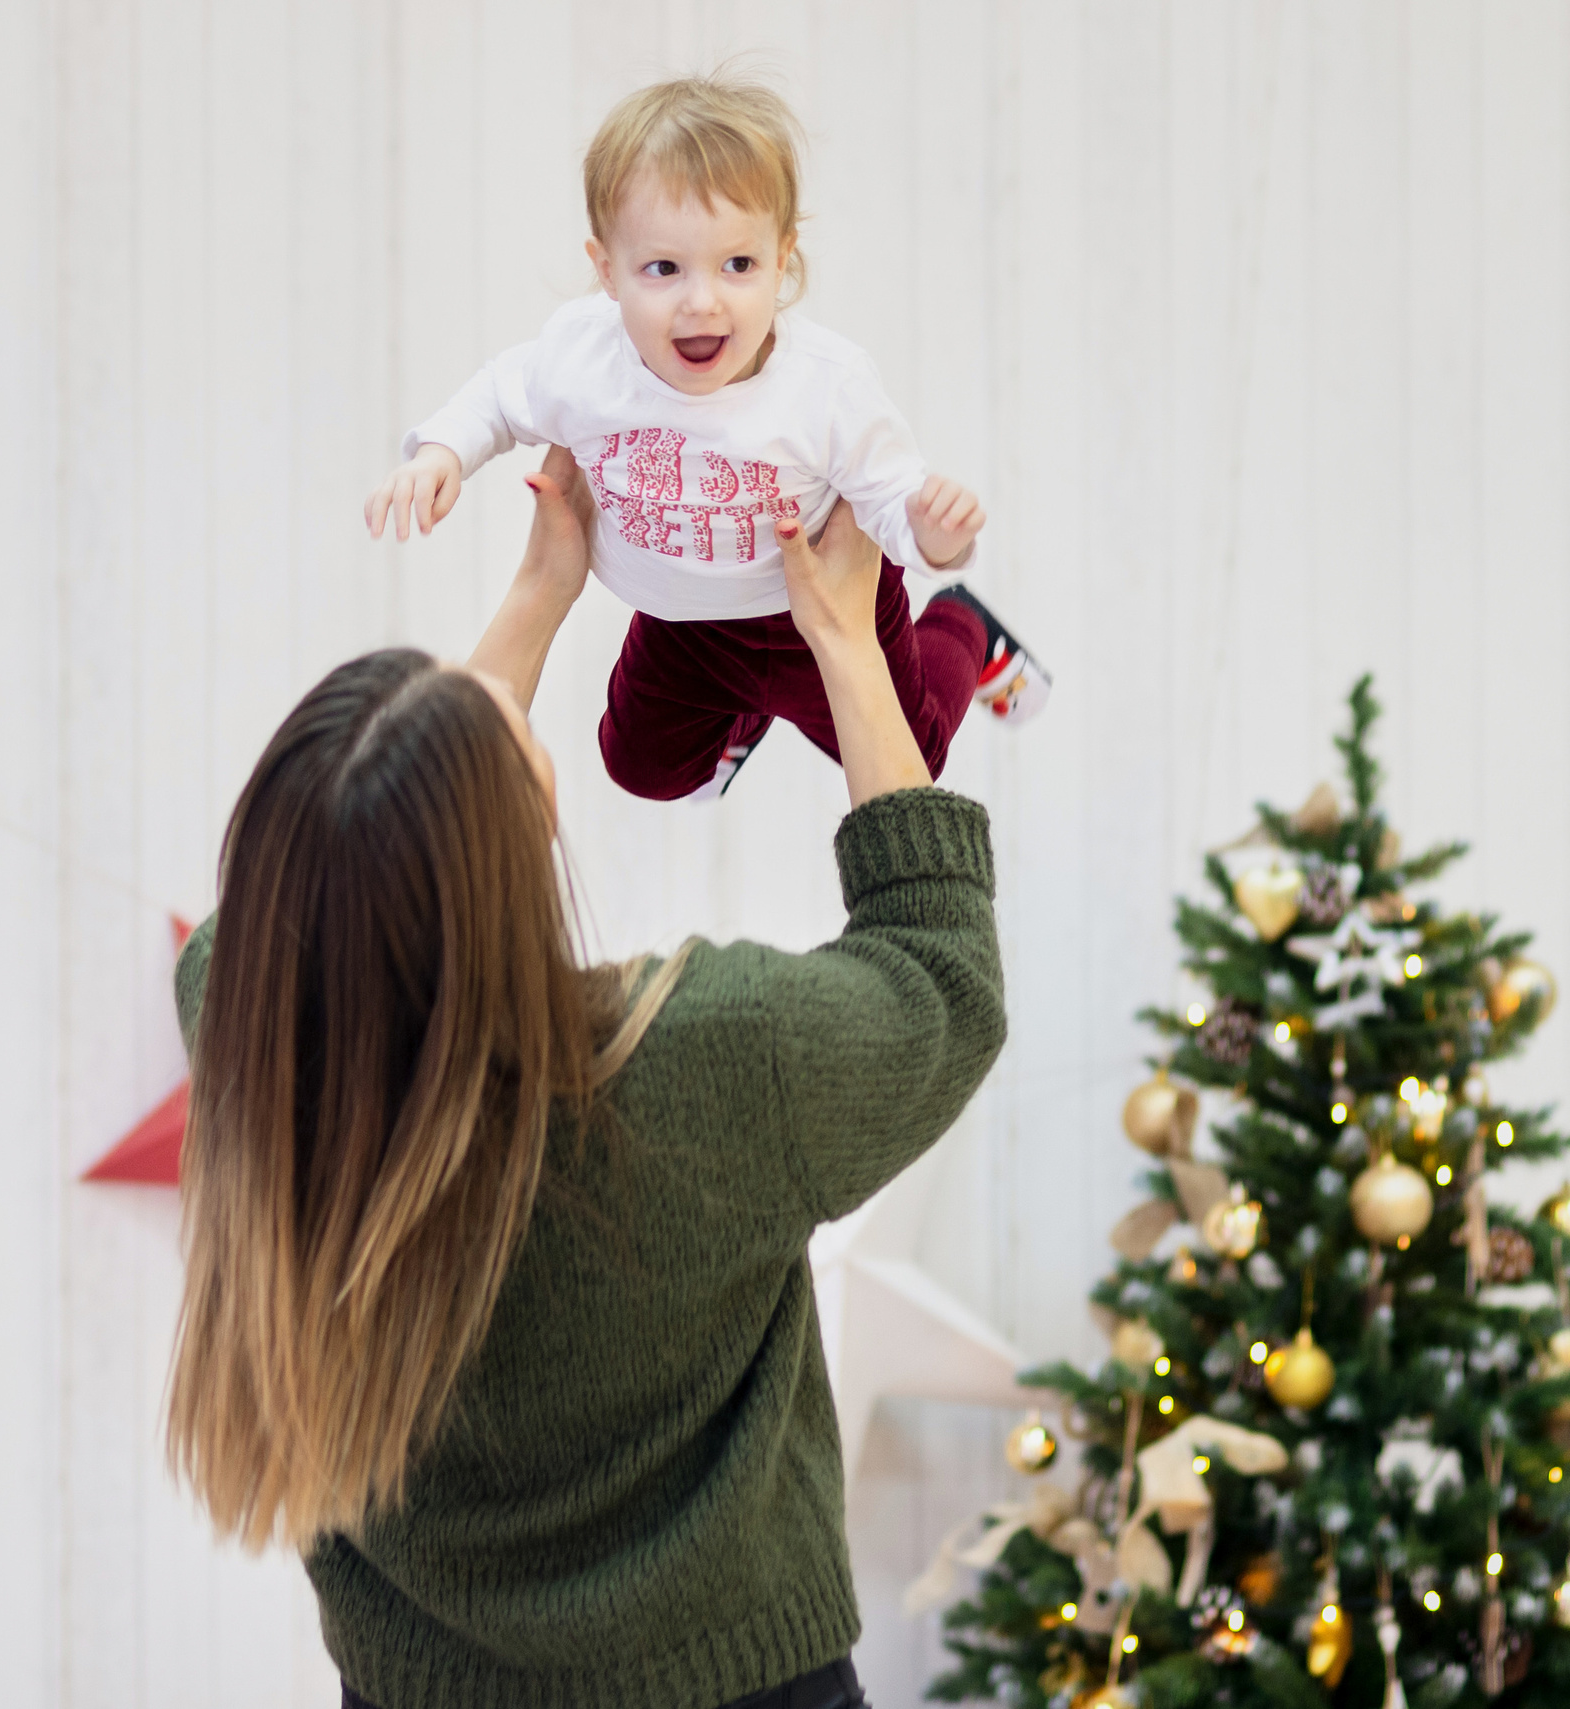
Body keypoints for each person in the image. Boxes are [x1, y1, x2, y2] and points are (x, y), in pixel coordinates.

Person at [166, 447, 1009, 1709]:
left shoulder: (255, 1030)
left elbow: (338, 895)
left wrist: (541, 586)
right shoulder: (709, 1062)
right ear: (529, 820)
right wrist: (842, 638)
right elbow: (939, 976)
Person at [364, 72, 1049, 804]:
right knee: (640, 768)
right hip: (681, 619)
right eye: (663, 268)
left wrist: (935, 533)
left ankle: (962, 623)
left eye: (738, 265)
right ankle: (740, 716)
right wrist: (442, 451)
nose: (702, 300)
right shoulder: (586, 361)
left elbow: (892, 500)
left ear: (782, 261)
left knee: (913, 759)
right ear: (607, 272)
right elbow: (502, 394)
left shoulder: (825, 386)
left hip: (815, 606)